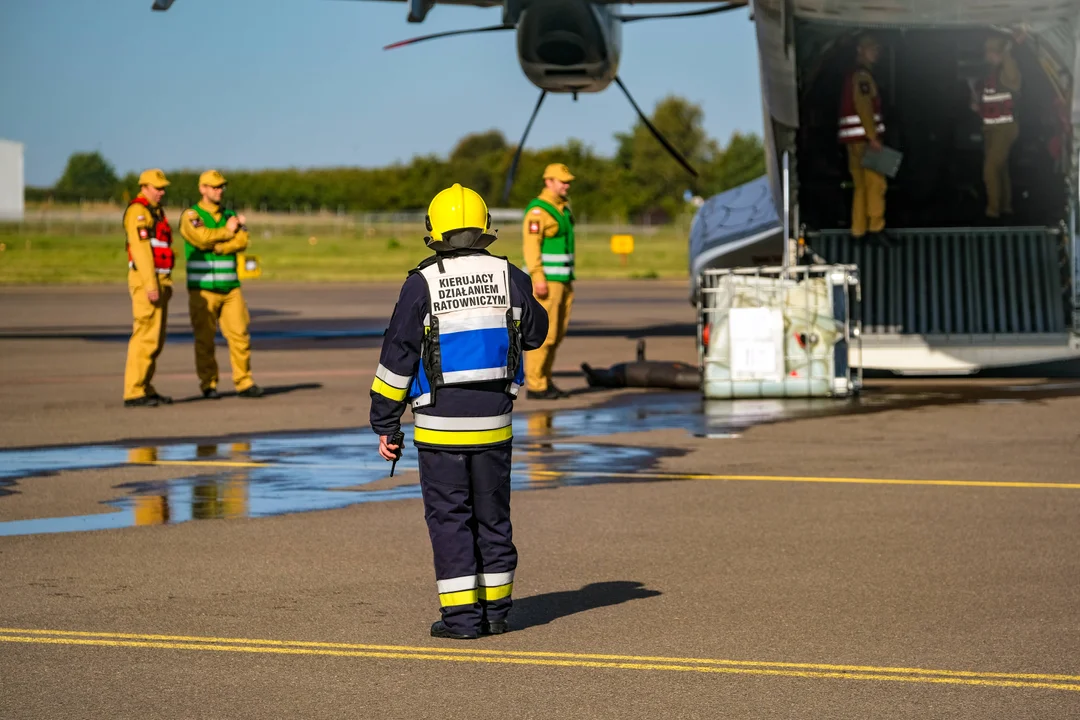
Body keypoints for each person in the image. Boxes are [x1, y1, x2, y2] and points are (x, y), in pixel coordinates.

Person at [369, 183, 548, 639]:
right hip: (494, 427)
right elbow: (535, 334)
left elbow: (398, 357)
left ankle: (462, 621)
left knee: (450, 520)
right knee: (493, 517)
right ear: (485, 229)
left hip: (439, 430)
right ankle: (496, 613)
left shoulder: (421, 283)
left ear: (435, 231)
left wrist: (385, 422)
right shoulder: (509, 276)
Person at [178, 170, 263, 399]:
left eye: (221, 187)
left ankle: (244, 382)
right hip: (202, 289)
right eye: (214, 187)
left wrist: (220, 246)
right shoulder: (191, 215)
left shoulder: (229, 214)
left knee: (240, 336)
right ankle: (208, 384)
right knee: (204, 339)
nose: (219, 191)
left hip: (231, 288)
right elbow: (200, 237)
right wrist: (228, 232)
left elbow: (242, 240)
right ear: (202, 189)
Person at [522, 163, 576, 399]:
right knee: (545, 334)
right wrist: (537, 276)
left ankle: (545, 378)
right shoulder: (538, 211)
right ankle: (535, 384)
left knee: (558, 333)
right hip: (547, 281)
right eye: (562, 181)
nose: (566, 185)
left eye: (567, 181)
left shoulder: (562, 208)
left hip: (563, 280)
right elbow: (531, 245)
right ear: (548, 182)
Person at [122, 168, 175, 408]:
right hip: (147, 281)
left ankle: (145, 385)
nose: (161, 192)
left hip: (160, 280)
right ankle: (134, 391)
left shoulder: (155, 212)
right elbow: (141, 251)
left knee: (156, 339)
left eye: (163, 188)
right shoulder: (138, 212)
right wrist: (150, 284)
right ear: (144, 187)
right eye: (157, 188)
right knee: (145, 337)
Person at [838, 34, 892, 248]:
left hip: (854, 141)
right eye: (872, 48)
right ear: (860, 50)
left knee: (860, 186)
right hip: (866, 140)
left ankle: (858, 231)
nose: (875, 52)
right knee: (877, 183)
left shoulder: (853, 75)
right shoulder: (863, 76)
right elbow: (864, 107)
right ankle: (876, 228)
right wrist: (873, 138)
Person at [976, 34, 1022, 223]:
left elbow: (1012, 77)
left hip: (1004, 128)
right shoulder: (991, 74)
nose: (987, 56)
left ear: (997, 54)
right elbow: (991, 101)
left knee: (989, 169)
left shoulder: (1006, 71)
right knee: (1000, 169)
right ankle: (1005, 207)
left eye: (990, 52)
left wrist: (1007, 53)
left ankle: (992, 212)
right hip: (992, 129)